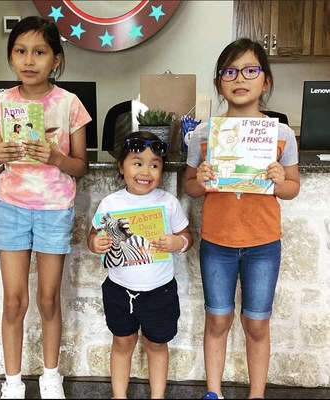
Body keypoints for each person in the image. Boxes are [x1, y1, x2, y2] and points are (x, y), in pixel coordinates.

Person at [184, 38, 300, 400]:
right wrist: (199, 181)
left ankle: (256, 394)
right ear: (219, 82)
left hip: (263, 244)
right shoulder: (203, 135)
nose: (240, 78)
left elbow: (293, 187)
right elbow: (188, 186)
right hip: (217, 243)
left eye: (251, 70)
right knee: (217, 319)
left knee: (256, 322)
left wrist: (282, 180)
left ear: (265, 81)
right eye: (230, 72)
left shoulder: (280, 134)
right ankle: (214, 392)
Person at [0, 16, 91, 399]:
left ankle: (50, 376)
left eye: (40, 52)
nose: (30, 60)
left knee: (48, 298)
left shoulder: (70, 104)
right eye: (21, 51)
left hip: (54, 209)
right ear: (11, 57)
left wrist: (56, 157)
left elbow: (81, 165)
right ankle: (11, 382)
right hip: (12, 207)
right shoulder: (1, 104)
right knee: (13, 300)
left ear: (56, 60)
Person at [88, 131, 193, 399]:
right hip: (119, 290)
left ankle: (158, 396)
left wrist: (177, 243)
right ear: (122, 167)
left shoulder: (168, 203)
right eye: (137, 162)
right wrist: (94, 244)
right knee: (122, 342)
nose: (146, 171)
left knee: (157, 345)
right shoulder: (110, 203)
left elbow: (187, 237)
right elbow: (93, 235)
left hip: (160, 292)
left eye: (154, 165)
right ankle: (119, 395)